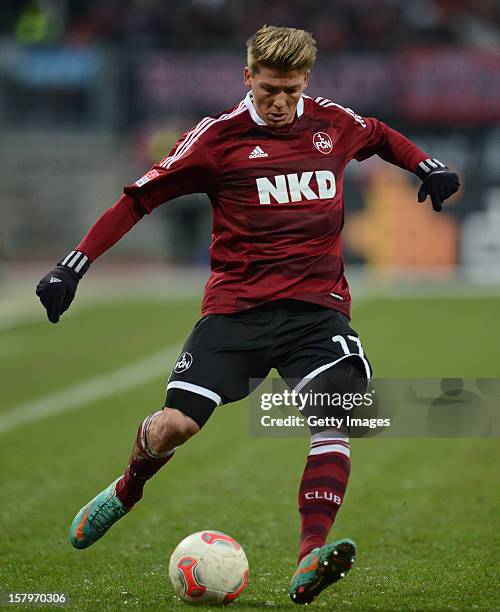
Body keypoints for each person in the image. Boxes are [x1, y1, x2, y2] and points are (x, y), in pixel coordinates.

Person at [35, 25, 460, 605]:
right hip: (237, 312)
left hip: (317, 313)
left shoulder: (331, 123)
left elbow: (380, 135)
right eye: (267, 89)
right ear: (247, 78)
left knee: (338, 414)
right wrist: (71, 267)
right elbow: (139, 199)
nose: (279, 102)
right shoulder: (216, 140)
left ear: (305, 80)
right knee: (176, 426)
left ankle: (311, 553)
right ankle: (130, 486)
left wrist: (425, 165)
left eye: (289, 89)